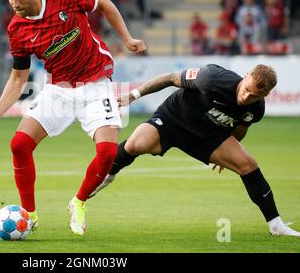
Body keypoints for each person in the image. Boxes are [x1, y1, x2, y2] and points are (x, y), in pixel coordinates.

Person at [0, 0, 147, 236]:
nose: (15, 4)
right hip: (58, 89)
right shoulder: (17, 29)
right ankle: (29, 215)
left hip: (95, 85)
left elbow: (103, 3)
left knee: (106, 153)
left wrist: (127, 39)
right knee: (19, 144)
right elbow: (18, 78)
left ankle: (78, 202)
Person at [90, 64, 300, 237]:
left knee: (248, 165)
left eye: (255, 96)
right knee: (136, 144)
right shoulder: (211, 78)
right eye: (247, 89)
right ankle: (104, 178)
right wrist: (133, 95)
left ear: (266, 95)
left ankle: (276, 225)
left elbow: (240, 128)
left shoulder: (256, 110)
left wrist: (227, 154)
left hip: (209, 135)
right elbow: (170, 77)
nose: (247, 97)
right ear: (245, 77)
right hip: (175, 118)